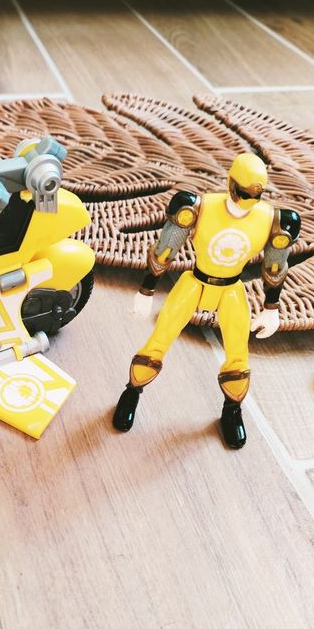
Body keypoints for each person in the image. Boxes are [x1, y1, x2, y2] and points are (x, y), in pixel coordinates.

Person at [112, 153, 301, 448]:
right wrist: (146, 290)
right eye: (243, 192)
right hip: (195, 282)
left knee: (238, 351)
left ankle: (232, 408)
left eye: (255, 195)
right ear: (230, 183)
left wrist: (271, 307)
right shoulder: (199, 207)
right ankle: (132, 391)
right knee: (160, 338)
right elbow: (165, 250)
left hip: (231, 289)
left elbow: (275, 265)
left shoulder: (272, 220)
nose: (247, 201)